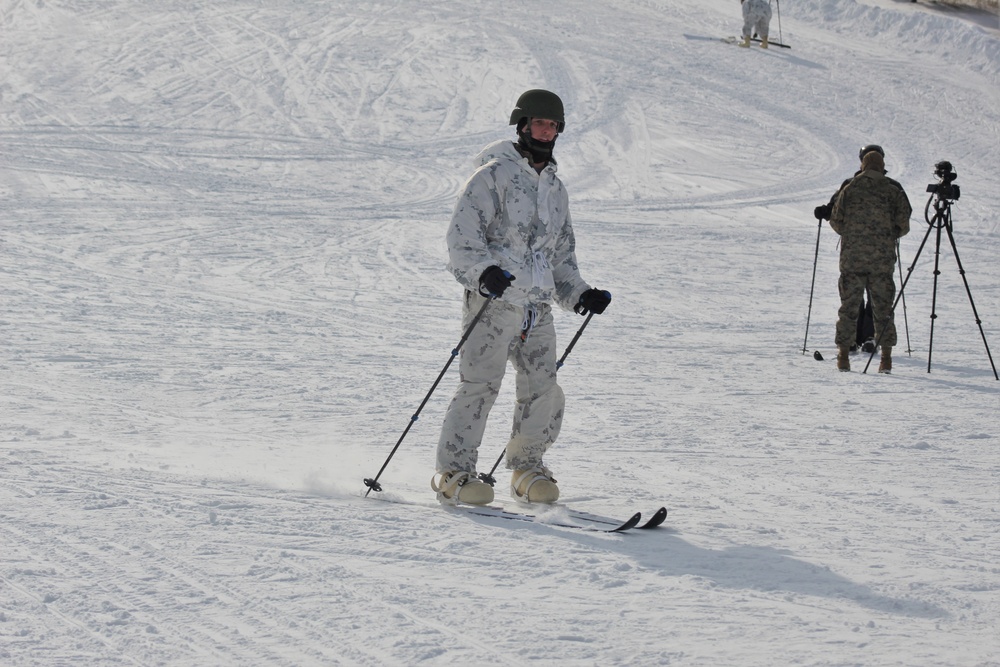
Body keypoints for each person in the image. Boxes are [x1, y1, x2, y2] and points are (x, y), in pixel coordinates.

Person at [431, 89, 612, 506]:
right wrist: (483, 274)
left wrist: (581, 294)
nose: (546, 131)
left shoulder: (556, 188)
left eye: (553, 125)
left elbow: (561, 257)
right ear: (522, 125)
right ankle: (454, 471)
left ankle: (527, 467)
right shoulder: (491, 176)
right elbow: (462, 241)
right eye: (539, 123)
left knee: (542, 389)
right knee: (480, 386)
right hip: (493, 302)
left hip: (538, 307)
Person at [829, 150, 911, 373]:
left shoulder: (850, 188)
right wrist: (887, 235)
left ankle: (843, 357)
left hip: (852, 259)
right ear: (882, 165)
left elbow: (836, 220)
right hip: (882, 261)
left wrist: (852, 234)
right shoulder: (893, 190)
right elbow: (904, 224)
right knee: (883, 310)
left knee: (848, 308)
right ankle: (885, 359)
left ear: (863, 165)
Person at [814, 145, 888, 354]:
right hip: (882, 254)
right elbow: (902, 221)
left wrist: (830, 217)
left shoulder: (850, 186)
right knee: (877, 296)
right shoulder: (891, 186)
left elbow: (836, 212)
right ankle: (870, 337)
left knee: (852, 297)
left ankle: (852, 340)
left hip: (853, 253)